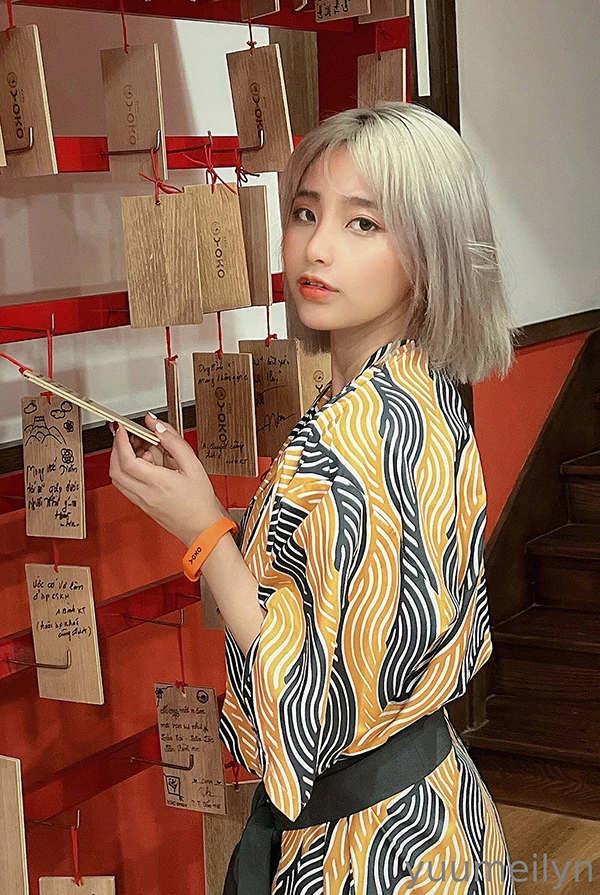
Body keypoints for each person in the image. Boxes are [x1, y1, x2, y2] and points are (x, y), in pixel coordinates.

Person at [110, 101, 518, 894]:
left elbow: (315, 714)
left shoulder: (361, 431)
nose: (317, 246)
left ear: (428, 249)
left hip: (373, 849)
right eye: (305, 212)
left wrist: (205, 534)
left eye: (363, 223)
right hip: (429, 804)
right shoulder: (412, 390)